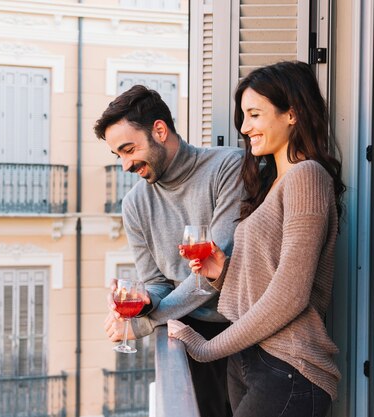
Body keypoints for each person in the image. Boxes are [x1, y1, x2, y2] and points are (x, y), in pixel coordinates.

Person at [167, 61, 345, 417]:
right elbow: (271, 279)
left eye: (254, 114)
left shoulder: (307, 176)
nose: (245, 127)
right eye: (243, 116)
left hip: (289, 366)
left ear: (291, 114)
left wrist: (205, 348)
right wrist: (223, 273)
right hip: (251, 357)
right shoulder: (274, 184)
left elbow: (291, 295)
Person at [94, 84, 245, 417]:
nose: (125, 165)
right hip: (188, 334)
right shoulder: (134, 204)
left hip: (245, 329)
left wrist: (144, 323)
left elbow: (213, 273)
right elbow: (157, 282)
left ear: (159, 130)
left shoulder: (228, 167)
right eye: (117, 155)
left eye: (128, 149)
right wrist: (144, 301)